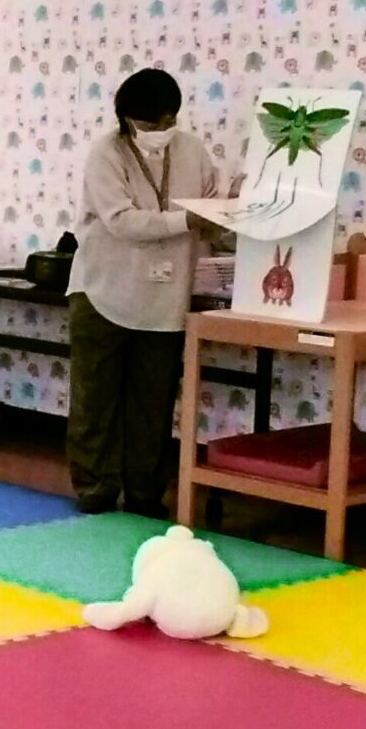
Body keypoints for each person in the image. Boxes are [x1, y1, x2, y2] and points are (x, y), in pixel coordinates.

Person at [65, 68, 217, 516]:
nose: (162, 129)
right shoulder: (106, 154)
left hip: (166, 299)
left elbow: (211, 208)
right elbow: (121, 221)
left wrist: (237, 208)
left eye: (170, 120)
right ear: (128, 119)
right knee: (95, 399)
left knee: (153, 403)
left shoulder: (192, 151)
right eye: (152, 123)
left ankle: (145, 493)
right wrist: (185, 221)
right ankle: (95, 487)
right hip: (103, 292)